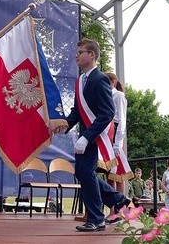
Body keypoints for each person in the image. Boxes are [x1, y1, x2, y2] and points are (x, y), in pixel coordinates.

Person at [61, 38, 130, 232]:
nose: (77, 55)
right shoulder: (81, 80)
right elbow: (76, 111)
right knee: (82, 172)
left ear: (92, 54)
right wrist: (63, 125)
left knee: (85, 172)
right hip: (86, 136)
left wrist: (87, 136)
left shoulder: (100, 79)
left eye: (81, 52)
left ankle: (97, 218)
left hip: (95, 136)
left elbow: (107, 112)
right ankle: (118, 199)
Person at [105, 72, 133, 224]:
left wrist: (117, 142)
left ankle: (120, 211)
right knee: (110, 172)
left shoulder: (119, 96)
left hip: (115, 132)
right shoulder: (105, 96)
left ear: (113, 82)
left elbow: (121, 119)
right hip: (106, 131)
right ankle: (112, 209)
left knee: (119, 172)